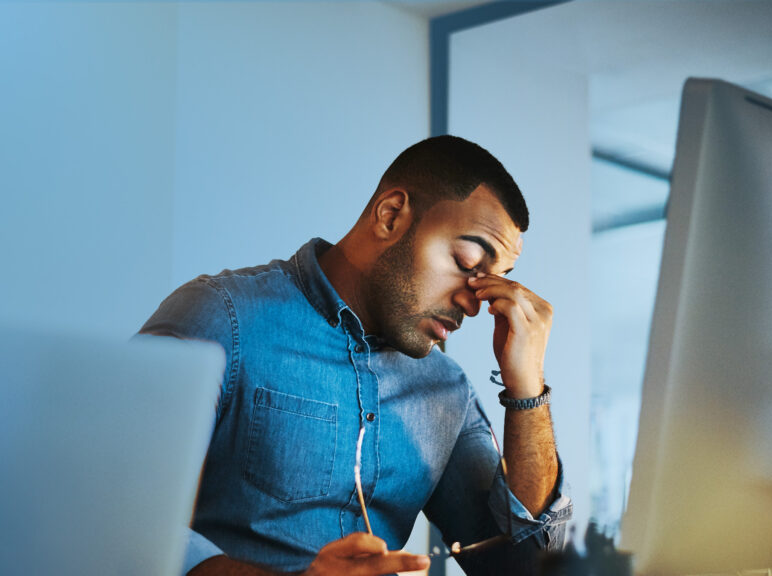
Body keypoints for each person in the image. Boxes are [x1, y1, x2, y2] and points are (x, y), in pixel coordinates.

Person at [140, 135, 572, 576]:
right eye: (466, 262)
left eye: (493, 282)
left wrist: (527, 389)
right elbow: (110, 515)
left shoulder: (447, 392)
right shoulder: (220, 318)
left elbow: (526, 569)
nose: (474, 302)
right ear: (390, 216)